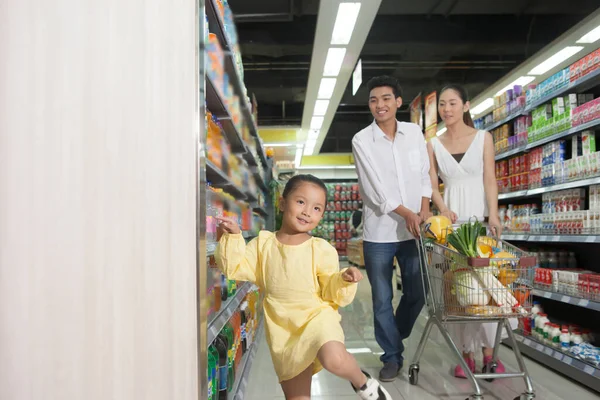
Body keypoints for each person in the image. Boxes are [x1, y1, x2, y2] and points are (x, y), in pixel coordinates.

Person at [216, 174, 392, 400]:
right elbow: (235, 267)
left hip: (316, 316)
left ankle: (363, 383)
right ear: (282, 202)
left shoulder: (320, 248)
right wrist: (232, 237)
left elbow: (329, 287)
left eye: (317, 208)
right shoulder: (263, 244)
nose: (308, 211)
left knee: (334, 359)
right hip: (283, 327)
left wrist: (343, 279)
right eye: (301, 202)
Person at [427, 84, 513, 379]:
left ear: (465, 106)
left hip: (479, 223)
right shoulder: (434, 144)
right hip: (451, 227)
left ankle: (489, 354)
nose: (446, 109)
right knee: (457, 289)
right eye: (442, 104)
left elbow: (490, 179)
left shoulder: (483, 138)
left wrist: (494, 214)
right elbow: (430, 185)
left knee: (486, 287)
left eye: (452, 103)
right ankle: (466, 355)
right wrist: (441, 207)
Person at [352, 75, 433, 382]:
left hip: (414, 231)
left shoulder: (414, 133)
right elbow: (375, 191)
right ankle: (392, 356)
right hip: (380, 233)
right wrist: (407, 213)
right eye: (373, 100)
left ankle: (394, 335)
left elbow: (425, 175)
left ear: (398, 102)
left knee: (418, 291)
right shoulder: (362, 140)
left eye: (386, 98)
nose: (379, 105)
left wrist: (423, 210)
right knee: (382, 298)